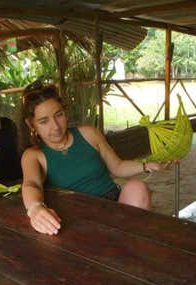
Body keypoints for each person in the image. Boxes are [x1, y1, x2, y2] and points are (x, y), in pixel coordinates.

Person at [20, 81, 167, 235]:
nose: (55, 126)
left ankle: (130, 238)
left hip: (113, 204)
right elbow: (31, 184)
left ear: (65, 112)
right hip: (77, 217)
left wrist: (146, 165)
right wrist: (35, 208)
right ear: (31, 124)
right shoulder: (33, 155)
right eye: (44, 121)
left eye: (59, 115)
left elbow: (117, 166)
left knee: (137, 187)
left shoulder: (88, 134)